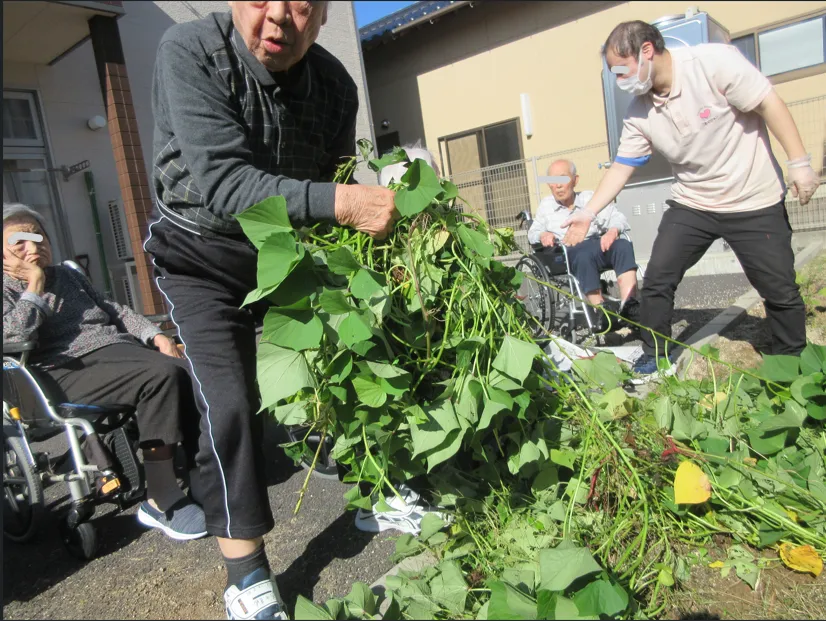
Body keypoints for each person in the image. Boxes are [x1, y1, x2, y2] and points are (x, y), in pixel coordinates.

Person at [143, 2, 398, 618]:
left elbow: (333, 180)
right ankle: (248, 574)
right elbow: (229, 187)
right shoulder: (190, 53)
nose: (279, 18)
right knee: (227, 403)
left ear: (323, 12)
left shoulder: (335, 84)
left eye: (301, 3)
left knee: (357, 353)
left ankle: (376, 489)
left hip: (280, 252)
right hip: (199, 256)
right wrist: (344, 203)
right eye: (260, 0)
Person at [562, 21, 820, 380]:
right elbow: (622, 167)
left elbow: (768, 104)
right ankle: (656, 353)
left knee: (779, 290)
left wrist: (799, 163)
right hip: (693, 203)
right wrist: (589, 213)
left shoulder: (712, 64)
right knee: (657, 279)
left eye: (622, 69)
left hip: (753, 198)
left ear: (647, 50)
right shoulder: (639, 112)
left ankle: (792, 366)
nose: (620, 80)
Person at [2, 203, 206, 540]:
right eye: (19, 242)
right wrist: (34, 284)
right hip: (62, 371)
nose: (33, 247)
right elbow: (14, 336)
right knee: (160, 376)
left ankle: (200, 472)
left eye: (38, 237)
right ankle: (161, 498)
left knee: (186, 368)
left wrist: (154, 334)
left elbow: (113, 309)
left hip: (117, 352)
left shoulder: (67, 275)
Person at [528, 159, 640, 330]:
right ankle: (601, 310)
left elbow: (618, 218)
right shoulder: (546, 206)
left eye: (563, 179)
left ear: (575, 180)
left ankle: (629, 305)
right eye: (552, 180)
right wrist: (543, 234)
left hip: (597, 244)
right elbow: (532, 234)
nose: (558, 185)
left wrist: (612, 231)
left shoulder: (589, 198)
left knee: (622, 245)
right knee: (582, 254)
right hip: (567, 251)